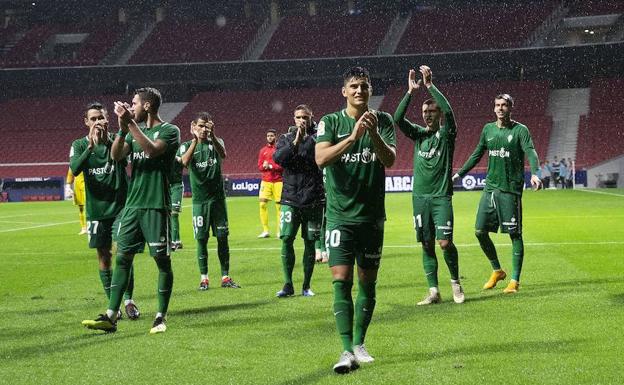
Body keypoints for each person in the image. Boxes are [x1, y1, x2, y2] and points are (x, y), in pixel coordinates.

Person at [315, 66, 396, 373]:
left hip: (372, 218)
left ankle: (360, 344)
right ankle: (346, 349)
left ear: (370, 90)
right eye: (354, 86)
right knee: (340, 281)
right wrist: (353, 137)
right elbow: (321, 158)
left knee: (368, 283)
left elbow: (389, 159)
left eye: (364, 85)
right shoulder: (330, 122)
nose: (359, 90)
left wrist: (372, 132)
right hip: (339, 217)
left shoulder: (384, 120)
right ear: (344, 91)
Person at [82, 87, 180, 334]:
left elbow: (151, 150)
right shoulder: (134, 130)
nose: (131, 106)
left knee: (162, 261)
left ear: (147, 106)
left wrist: (130, 126)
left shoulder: (169, 131)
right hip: (132, 206)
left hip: (156, 205)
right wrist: (123, 128)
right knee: (123, 257)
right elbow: (116, 155)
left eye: (134, 103)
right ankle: (111, 315)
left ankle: (160, 316)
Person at [453, 93, 541, 294]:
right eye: (497, 105)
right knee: (479, 231)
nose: (500, 108)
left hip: (510, 190)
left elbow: (531, 151)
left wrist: (536, 173)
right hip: (490, 189)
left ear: (511, 108)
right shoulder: (488, 129)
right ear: (494, 108)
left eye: (505, 105)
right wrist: (458, 175)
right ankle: (497, 270)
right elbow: (476, 154)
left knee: (514, 234)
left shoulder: (520, 130)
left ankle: (514, 281)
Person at [393, 65, 464, 306]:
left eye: (432, 111)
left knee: (444, 242)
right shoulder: (418, 135)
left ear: (438, 114)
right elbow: (397, 119)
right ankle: (433, 291)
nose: (428, 114)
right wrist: (410, 92)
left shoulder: (446, 134)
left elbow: (450, 112)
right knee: (426, 243)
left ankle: (455, 281)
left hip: (441, 197)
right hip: (419, 198)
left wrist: (431, 86)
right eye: (425, 111)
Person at [69, 102, 140, 320]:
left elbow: (122, 157)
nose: (97, 122)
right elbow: (75, 169)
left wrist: (110, 139)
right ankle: (114, 306)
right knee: (104, 256)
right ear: (86, 122)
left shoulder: (118, 140)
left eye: (101, 117)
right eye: (93, 119)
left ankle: (128, 300)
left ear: (107, 119)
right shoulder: (79, 145)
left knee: (123, 253)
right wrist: (90, 146)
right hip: (97, 210)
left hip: (121, 207)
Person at [180, 112, 241, 290]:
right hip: (200, 202)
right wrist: (194, 140)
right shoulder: (186, 146)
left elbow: (223, 154)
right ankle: (204, 278)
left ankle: (225, 277)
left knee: (222, 238)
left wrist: (212, 135)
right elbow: (184, 162)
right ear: (193, 126)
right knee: (201, 239)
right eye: (200, 126)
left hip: (218, 201)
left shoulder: (217, 142)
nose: (204, 129)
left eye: (207, 126)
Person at [272, 104, 324, 298]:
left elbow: (318, 157)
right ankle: (288, 284)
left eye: (305, 117)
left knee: (310, 242)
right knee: (286, 239)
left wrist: (305, 140)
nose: (302, 120)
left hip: (313, 199)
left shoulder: (319, 138)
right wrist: (295, 141)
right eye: (298, 117)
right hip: (290, 199)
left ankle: (306, 286)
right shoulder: (285, 138)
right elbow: (279, 158)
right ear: (294, 119)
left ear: (311, 118)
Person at [257, 128, 283, 238]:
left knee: (279, 207)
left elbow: (282, 166)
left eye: (272, 136)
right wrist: (264, 166)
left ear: (275, 137)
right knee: (262, 204)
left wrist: (271, 166)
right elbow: (259, 166)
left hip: (278, 181)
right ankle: (265, 230)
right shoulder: (263, 151)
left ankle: (279, 231)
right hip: (266, 181)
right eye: (268, 136)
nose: (270, 137)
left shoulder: (280, 149)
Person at [170, 149, 184, 251]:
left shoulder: (178, 154)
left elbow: (183, 161)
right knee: (167, 214)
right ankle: (174, 241)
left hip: (177, 186)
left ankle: (176, 241)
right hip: (165, 186)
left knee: (174, 214)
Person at [65, 168, 87, 234]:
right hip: (77, 184)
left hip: (87, 184)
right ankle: (83, 228)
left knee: (88, 207)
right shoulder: (74, 160)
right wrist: (68, 186)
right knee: (81, 208)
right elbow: (71, 171)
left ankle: (90, 226)